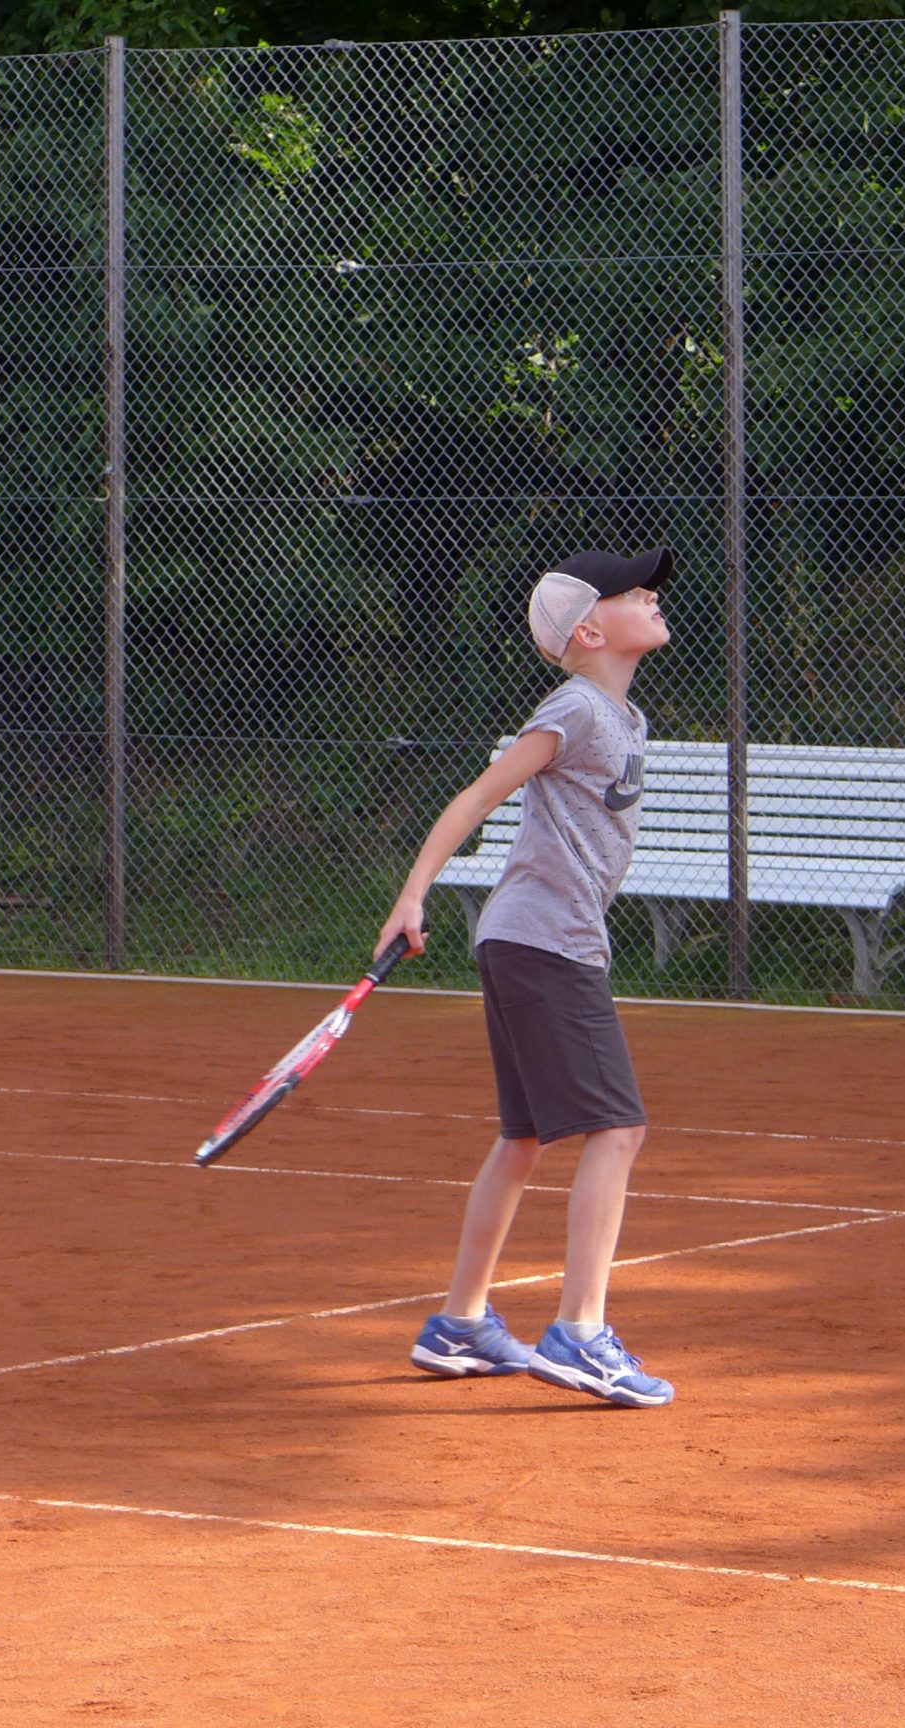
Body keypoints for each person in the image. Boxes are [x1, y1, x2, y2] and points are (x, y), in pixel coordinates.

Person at [371, 547, 676, 1408]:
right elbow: (477, 797)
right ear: (589, 631)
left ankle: (460, 1323)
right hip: (547, 943)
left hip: (530, 940)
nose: (651, 596)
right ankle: (580, 1333)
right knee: (618, 1129)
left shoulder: (624, 716)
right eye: (631, 592)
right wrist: (411, 896)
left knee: (524, 1138)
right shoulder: (576, 707)